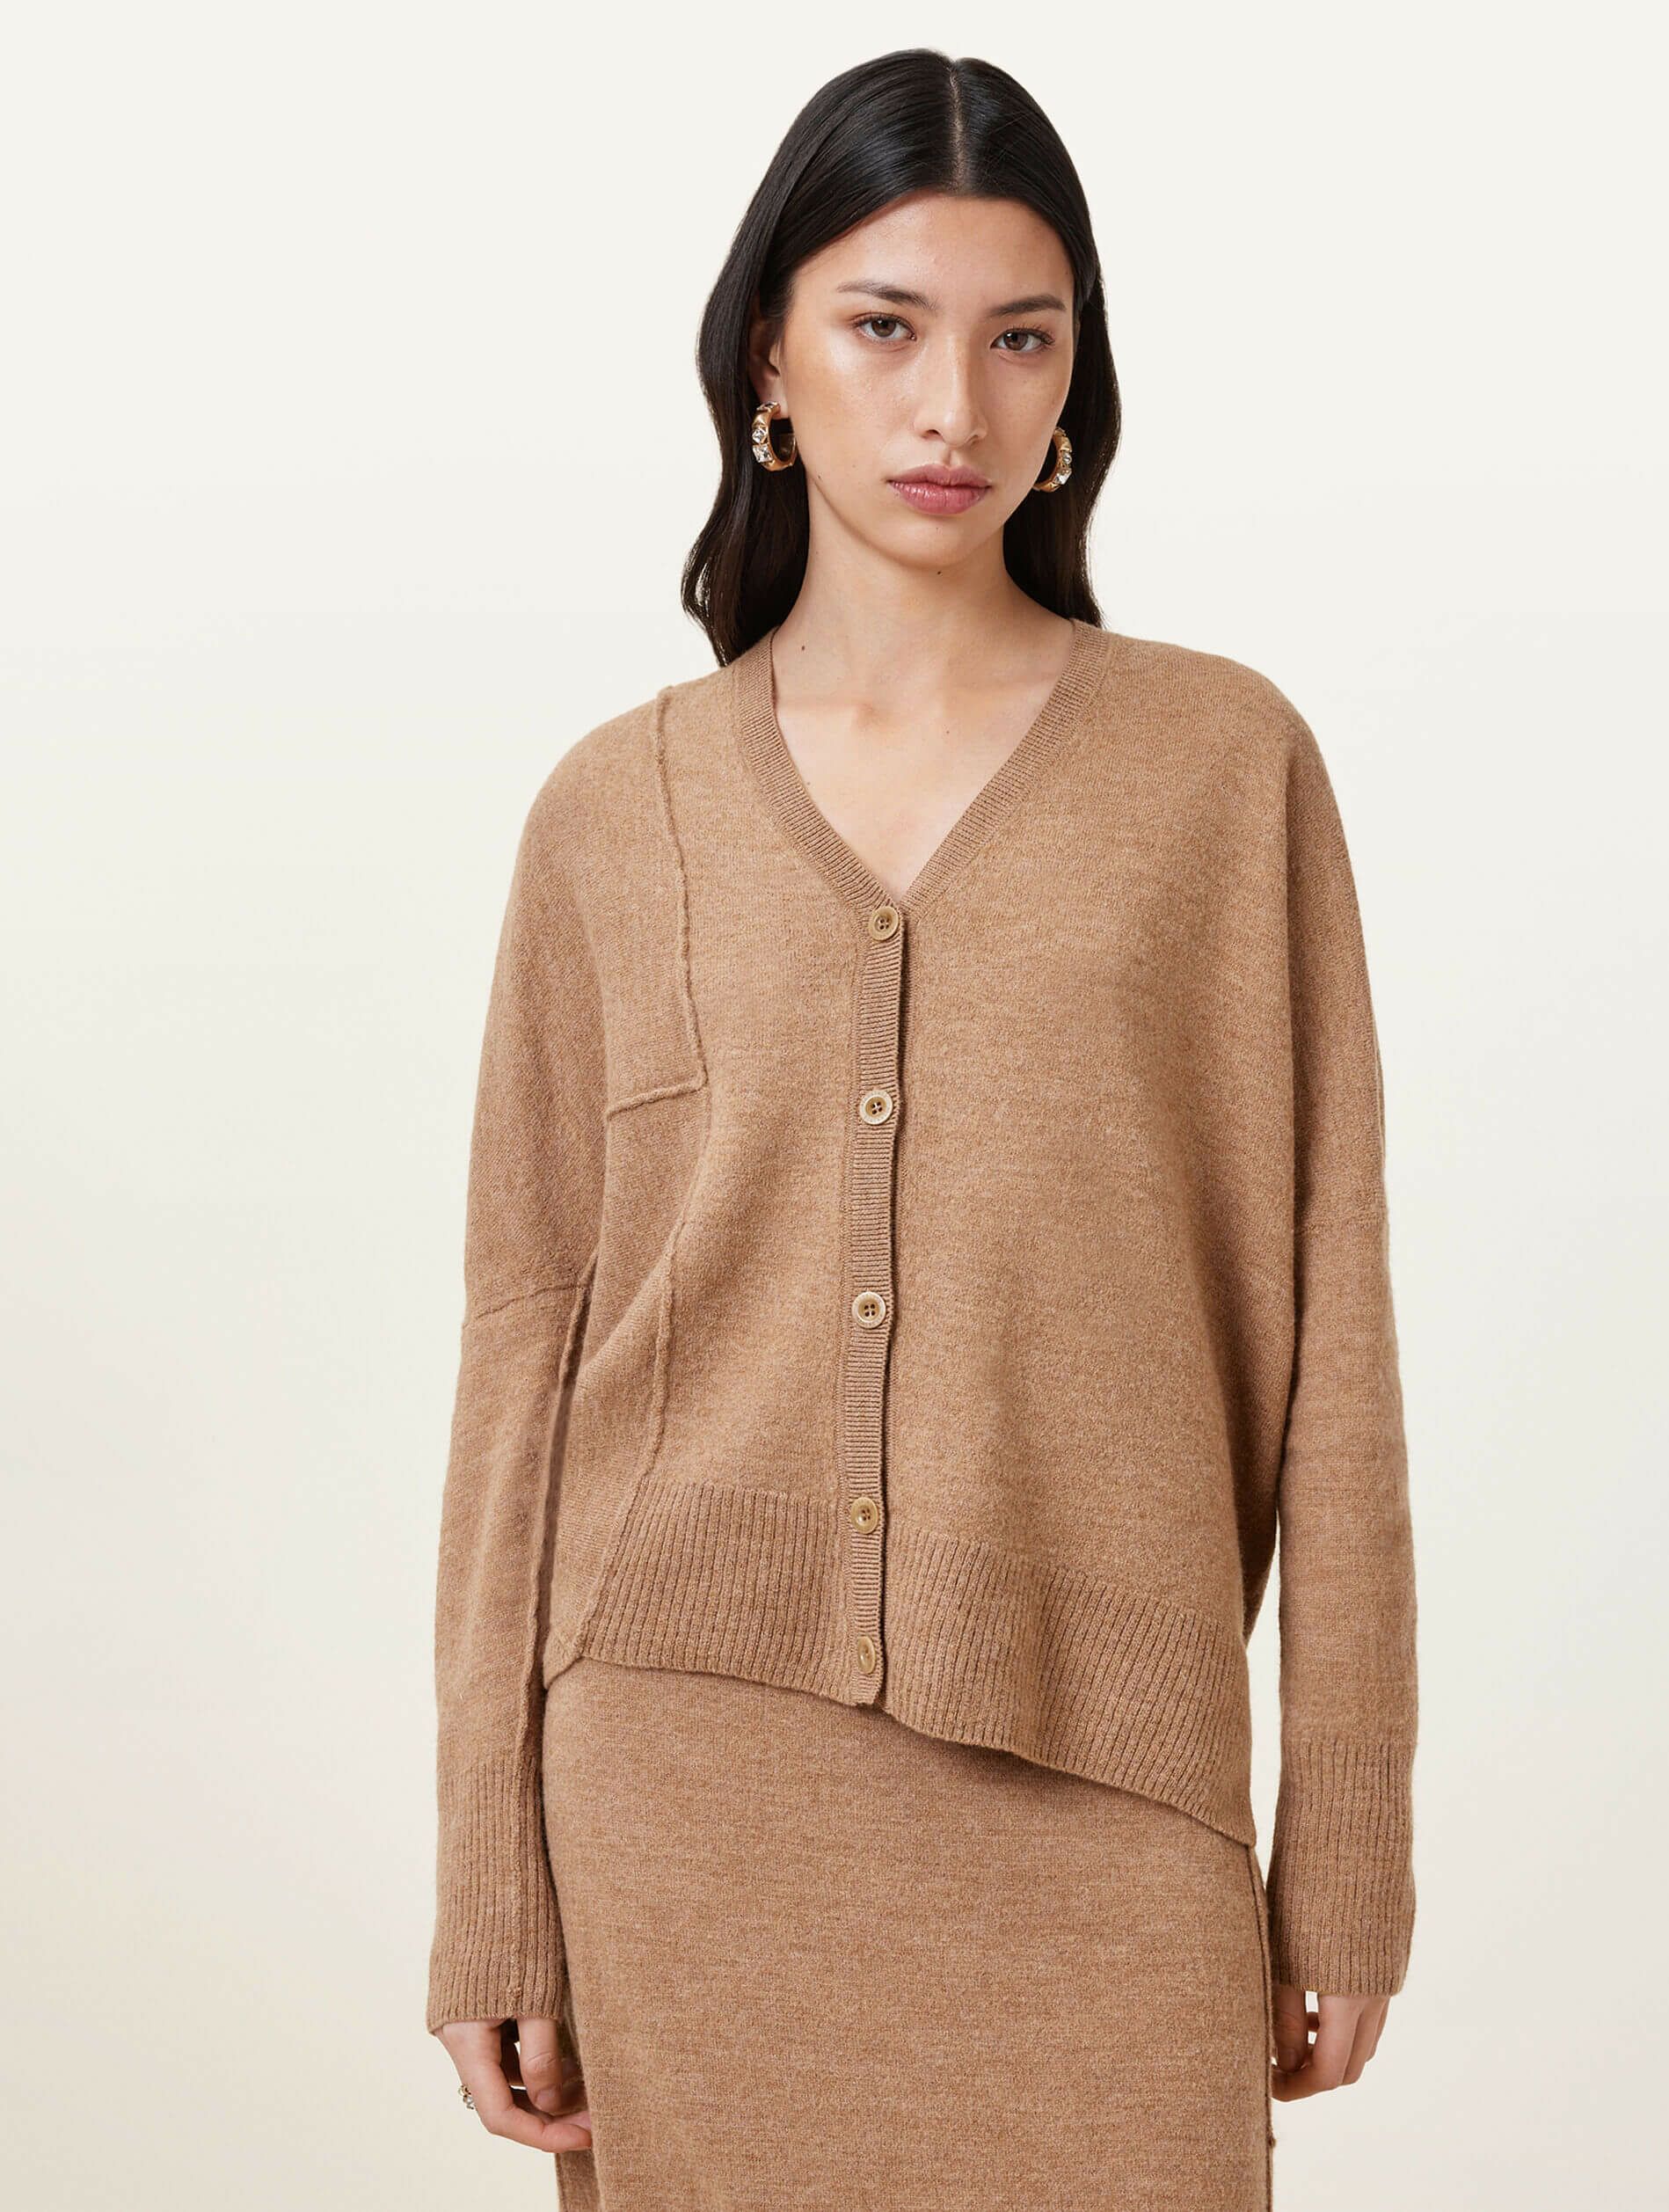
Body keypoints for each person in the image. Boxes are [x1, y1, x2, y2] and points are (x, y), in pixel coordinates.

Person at [426, 46, 1418, 2212]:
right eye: (883, 325)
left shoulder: (1221, 773)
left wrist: (1344, 1832)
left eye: (1018, 337)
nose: (952, 405)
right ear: (767, 364)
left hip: (1114, 1783)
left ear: (1075, 382)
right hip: (686, 1796)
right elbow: (525, 1354)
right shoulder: (615, 812)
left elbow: (1329, 1333)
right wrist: (490, 1879)